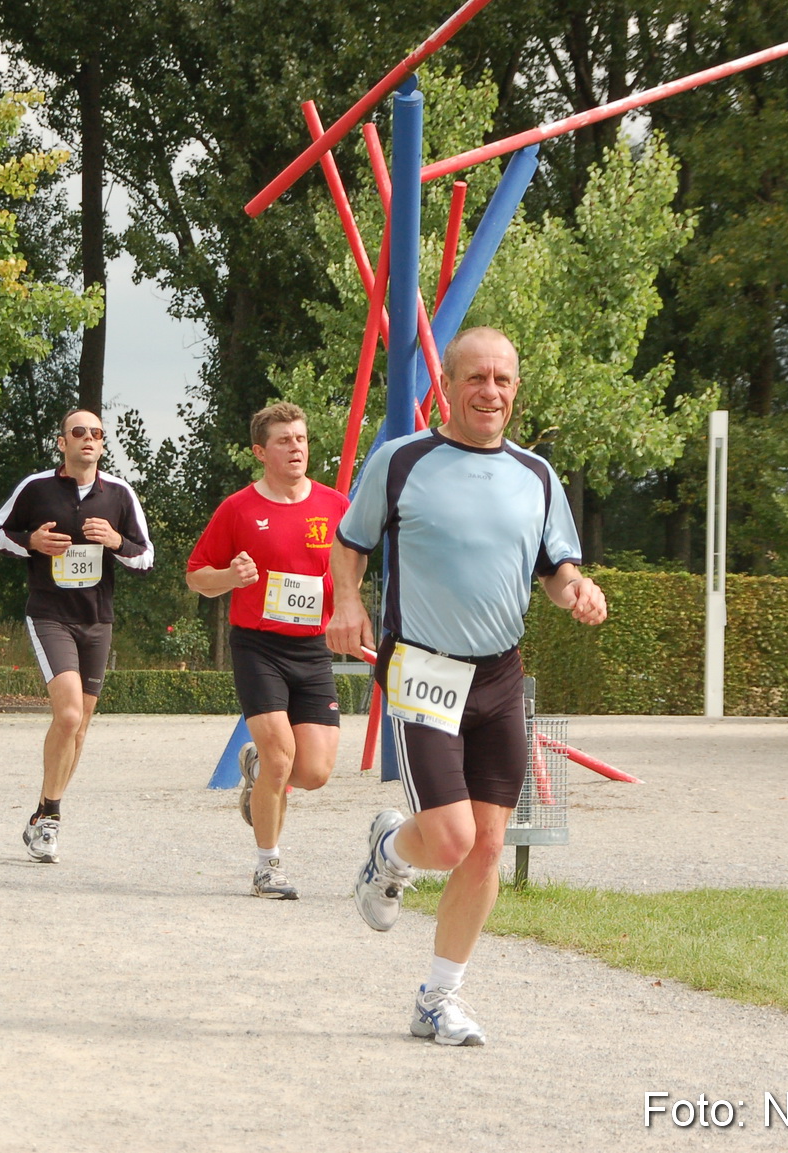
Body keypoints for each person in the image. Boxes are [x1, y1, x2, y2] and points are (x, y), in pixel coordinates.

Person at [328, 327, 608, 1047]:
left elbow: (556, 569)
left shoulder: (537, 475)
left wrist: (577, 589)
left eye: (503, 380)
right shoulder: (401, 461)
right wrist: (350, 602)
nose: (490, 391)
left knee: (487, 845)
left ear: (516, 389)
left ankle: (436, 998)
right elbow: (351, 544)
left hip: (499, 673)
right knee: (451, 840)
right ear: (447, 385)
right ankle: (392, 849)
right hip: (423, 666)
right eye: (476, 377)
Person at [186, 402, 349, 900]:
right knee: (282, 758)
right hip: (259, 646)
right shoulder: (238, 509)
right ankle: (266, 867)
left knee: (315, 773)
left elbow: (355, 565)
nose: (296, 447)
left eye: (301, 439)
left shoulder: (335, 506)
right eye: (284, 440)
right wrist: (230, 577)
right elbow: (197, 575)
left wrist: (347, 602)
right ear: (261, 451)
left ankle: (255, 768)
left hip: (312, 649)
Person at [0, 409, 153, 863]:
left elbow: (146, 557)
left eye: (96, 434)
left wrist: (117, 543)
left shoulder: (119, 493)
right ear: (62, 443)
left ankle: (43, 813)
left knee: (80, 728)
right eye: (79, 432)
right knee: (68, 715)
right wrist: (32, 543)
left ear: (102, 444)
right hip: (50, 615)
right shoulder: (36, 488)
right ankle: (53, 818)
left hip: (97, 620)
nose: (88, 439)